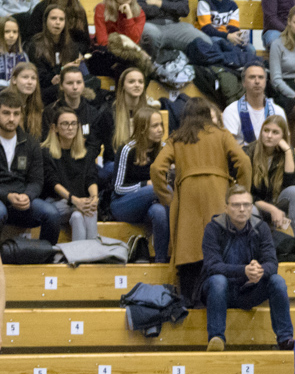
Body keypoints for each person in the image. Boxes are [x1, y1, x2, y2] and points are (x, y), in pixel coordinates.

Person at [152, 100, 251, 276]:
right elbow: (244, 162)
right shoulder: (222, 134)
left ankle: (191, 298)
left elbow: (156, 168)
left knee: (189, 248)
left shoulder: (177, 138)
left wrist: (166, 197)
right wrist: (241, 192)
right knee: (219, 246)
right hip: (218, 191)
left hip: (188, 193)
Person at [200, 184, 293, 352]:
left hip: (249, 290)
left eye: (246, 205)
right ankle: (216, 339)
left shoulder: (261, 227)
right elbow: (212, 266)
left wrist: (260, 271)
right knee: (218, 281)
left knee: (277, 280)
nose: (241, 209)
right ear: (226, 207)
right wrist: (244, 271)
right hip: (220, 292)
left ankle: (285, 339)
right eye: (236, 205)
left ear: (251, 207)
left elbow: (272, 263)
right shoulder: (213, 228)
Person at [110, 107, 169, 262]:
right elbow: (118, 187)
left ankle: (160, 262)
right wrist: (145, 185)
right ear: (142, 129)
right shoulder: (127, 149)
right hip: (123, 204)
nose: (160, 130)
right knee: (157, 188)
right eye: (154, 126)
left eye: (161, 125)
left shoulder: (164, 149)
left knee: (160, 213)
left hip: (151, 204)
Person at [244, 114, 295, 244]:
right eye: (266, 131)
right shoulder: (248, 152)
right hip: (256, 207)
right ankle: (255, 247)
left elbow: (290, 185)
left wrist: (287, 151)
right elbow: (247, 194)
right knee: (249, 208)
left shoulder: (286, 153)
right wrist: (272, 209)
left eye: (275, 132)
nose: (269, 135)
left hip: (277, 204)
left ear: (282, 136)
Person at [42, 106, 97, 242]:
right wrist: (75, 201)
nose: (70, 127)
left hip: (78, 202)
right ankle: (87, 255)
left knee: (84, 213)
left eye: (73, 124)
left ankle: (85, 258)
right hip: (55, 203)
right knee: (84, 211)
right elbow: (53, 182)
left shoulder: (85, 152)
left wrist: (94, 198)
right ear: (54, 128)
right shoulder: (45, 152)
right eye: (65, 124)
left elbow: (91, 177)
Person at [92, 0, 154, 79]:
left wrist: (129, 16)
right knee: (128, 65)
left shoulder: (139, 12)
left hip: (128, 55)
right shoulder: (102, 8)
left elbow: (134, 39)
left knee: (133, 66)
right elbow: (103, 41)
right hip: (107, 53)